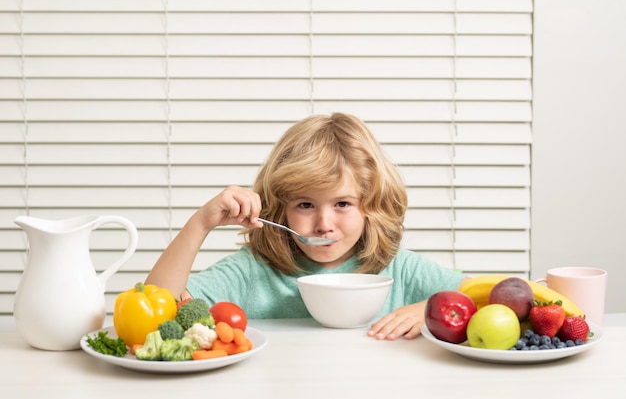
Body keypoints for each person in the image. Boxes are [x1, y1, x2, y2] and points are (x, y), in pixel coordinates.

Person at [145, 112, 465, 340]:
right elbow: (154, 312)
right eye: (306, 205)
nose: (324, 225)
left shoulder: (400, 269)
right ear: (280, 207)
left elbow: (493, 297)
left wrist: (426, 309)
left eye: (342, 204)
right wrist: (199, 225)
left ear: (371, 204)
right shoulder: (251, 272)